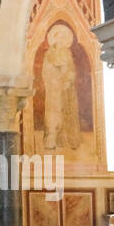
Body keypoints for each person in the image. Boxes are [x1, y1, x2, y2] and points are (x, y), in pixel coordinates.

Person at [41, 23, 82, 151]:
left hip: (66, 89)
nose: (61, 40)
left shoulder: (67, 52)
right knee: (54, 113)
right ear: (54, 38)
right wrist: (56, 73)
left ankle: (71, 140)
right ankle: (52, 140)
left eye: (63, 37)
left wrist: (68, 80)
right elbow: (46, 70)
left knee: (68, 112)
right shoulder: (50, 53)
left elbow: (72, 70)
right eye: (59, 37)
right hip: (54, 89)